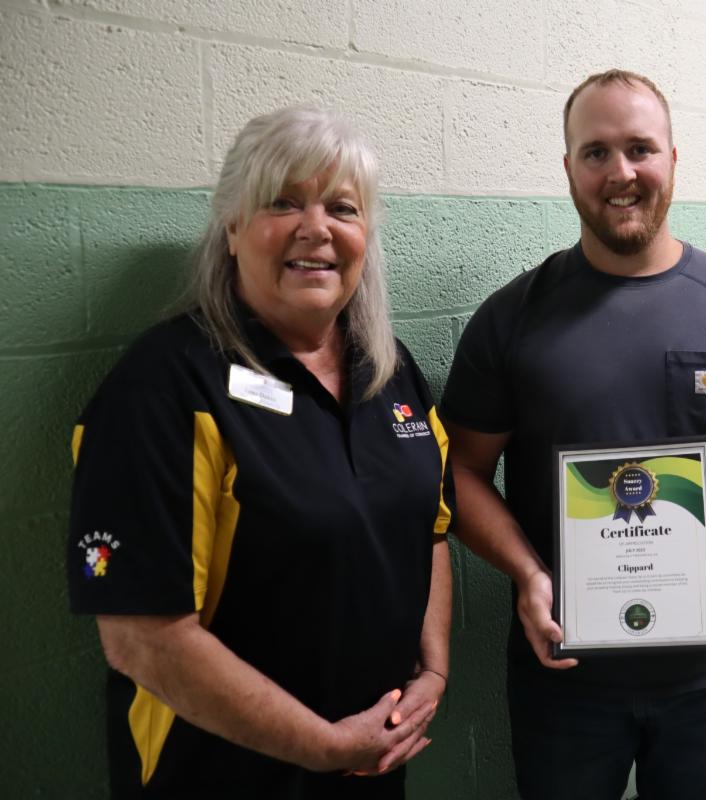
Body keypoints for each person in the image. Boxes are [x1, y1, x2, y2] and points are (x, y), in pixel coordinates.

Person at [439, 69, 706, 800]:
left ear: (672, 160)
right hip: (565, 677)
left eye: (640, 149)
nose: (620, 172)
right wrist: (526, 572)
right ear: (568, 169)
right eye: (595, 152)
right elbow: (458, 472)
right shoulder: (512, 319)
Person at [67, 106, 453, 798]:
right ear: (232, 227)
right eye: (282, 202)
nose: (316, 228)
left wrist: (433, 668)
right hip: (215, 777)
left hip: (372, 763)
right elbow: (142, 638)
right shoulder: (163, 387)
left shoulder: (391, 372)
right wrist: (325, 747)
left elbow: (430, 526)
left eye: (343, 208)